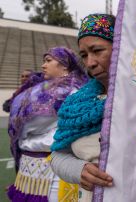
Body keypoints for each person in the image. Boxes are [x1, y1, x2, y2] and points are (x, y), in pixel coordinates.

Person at [7, 47, 87, 201]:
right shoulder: (42, 89)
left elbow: (30, 124)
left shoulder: (72, 91)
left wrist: (21, 129)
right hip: (29, 169)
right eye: (44, 61)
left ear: (64, 65)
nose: (43, 65)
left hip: (54, 171)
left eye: (49, 60)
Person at [50, 14, 115, 202]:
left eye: (97, 50)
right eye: (84, 55)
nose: (90, 63)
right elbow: (58, 156)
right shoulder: (75, 104)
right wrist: (80, 170)